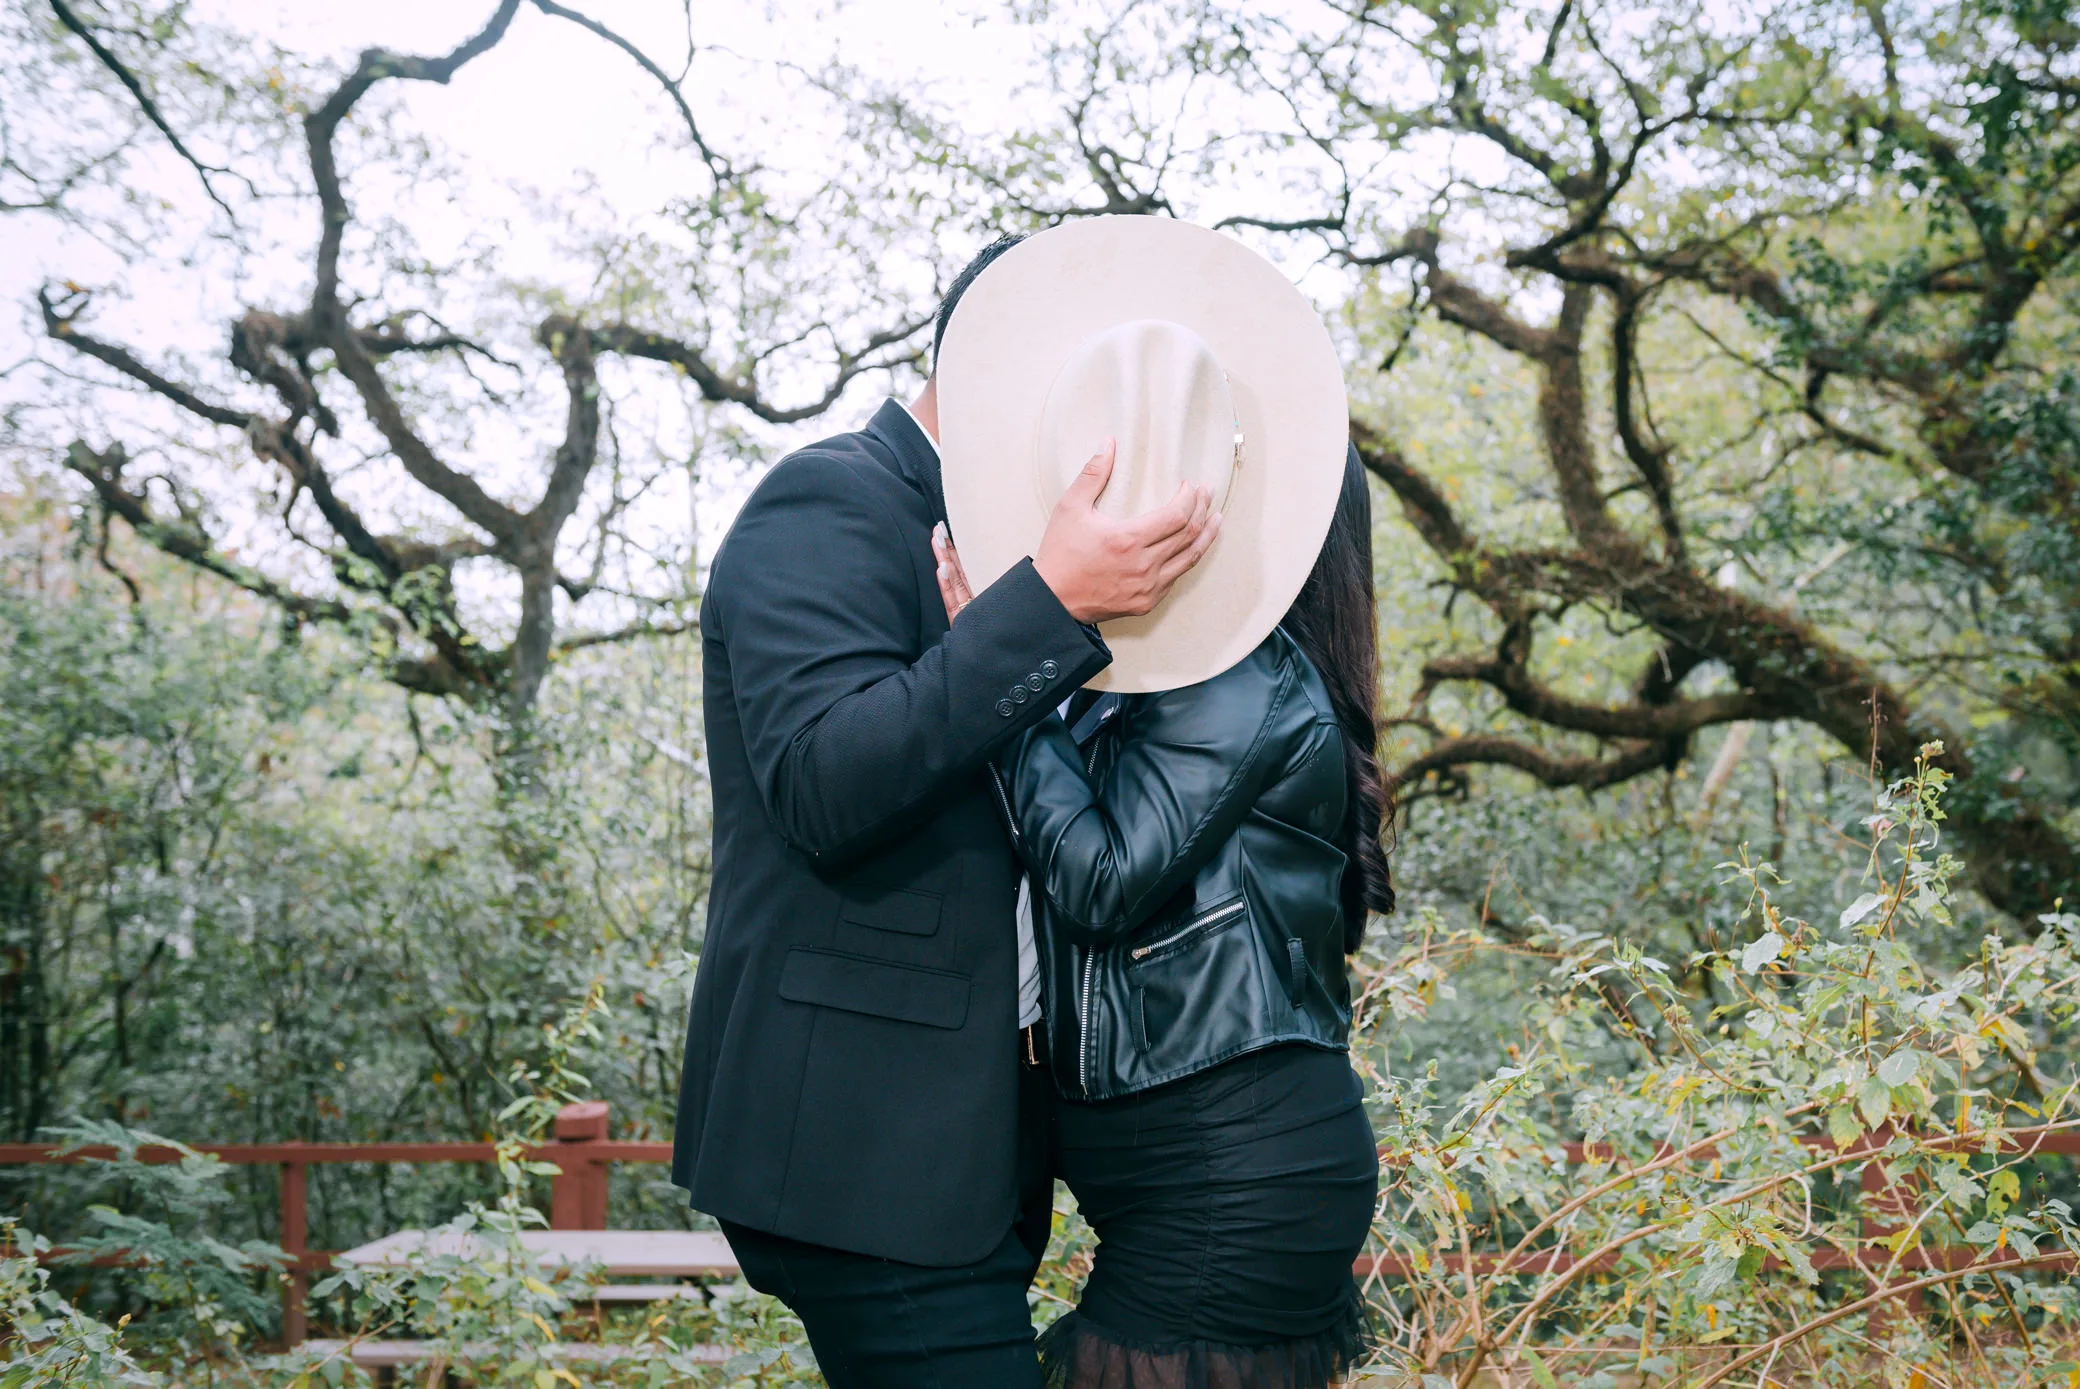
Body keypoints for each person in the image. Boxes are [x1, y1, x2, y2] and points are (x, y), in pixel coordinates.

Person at [669, 233, 1222, 1389]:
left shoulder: (1013, 535)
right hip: (850, 1145)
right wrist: (1049, 604)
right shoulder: (830, 499)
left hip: (954, 1154)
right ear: (1002, 363)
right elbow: (824, 782)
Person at [934, 446, 1391, 1389]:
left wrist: (1000, 671)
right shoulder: (1178, 669)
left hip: (1230, 1186)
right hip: (1215, 1174)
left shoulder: (1242, 670)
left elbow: (1101, 876)